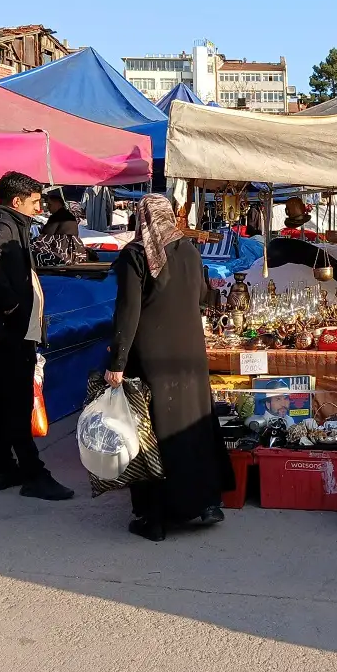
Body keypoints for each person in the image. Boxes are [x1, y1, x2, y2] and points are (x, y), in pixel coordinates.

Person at [106, 193, 234, 541]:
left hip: (153, 356)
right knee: (194, 424)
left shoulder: (137, 255)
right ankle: (206, 502)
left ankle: (155, 518)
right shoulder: (189, 250)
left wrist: (117, 362)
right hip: (189, 353)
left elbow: (128, 312)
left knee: (154, 433)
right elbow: (202, 296)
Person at [0, 172, 74, 501]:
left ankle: (3, 468)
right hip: (8, 331)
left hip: (8, 330)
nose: (38, 207)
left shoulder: (12, 224)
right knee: (17, 402)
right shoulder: (2, 225)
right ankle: (33, 473)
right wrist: (11, 303)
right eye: (34, 201)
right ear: (17, 201)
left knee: (3, 400)